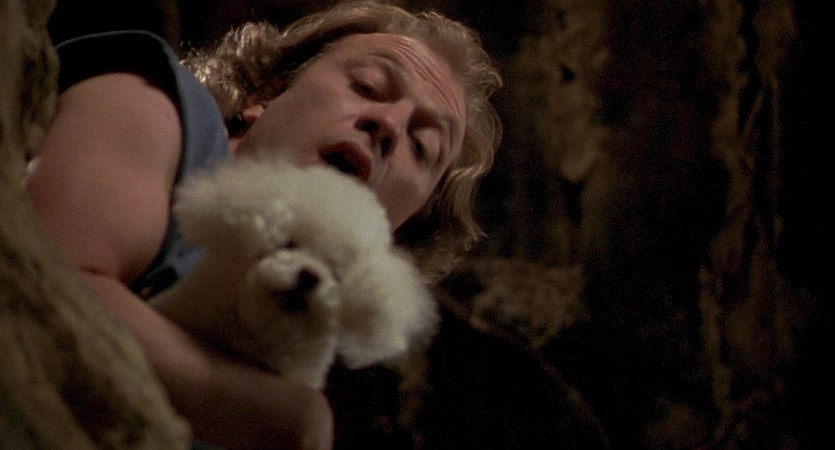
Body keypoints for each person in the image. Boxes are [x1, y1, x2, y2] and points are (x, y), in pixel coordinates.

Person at [25, 0, 502, 449]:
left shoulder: (298, 328)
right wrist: (273, 413)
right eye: (367, 87)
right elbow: (40, 286)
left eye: (421, 147)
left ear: (401, 230)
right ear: (267, 91)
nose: (390, 126)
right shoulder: (160, 107)